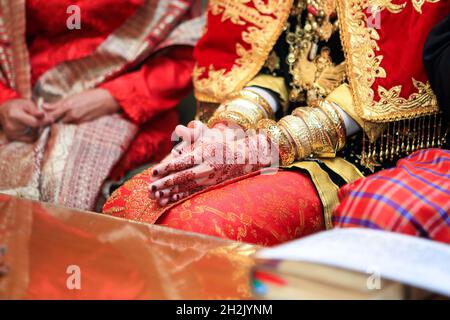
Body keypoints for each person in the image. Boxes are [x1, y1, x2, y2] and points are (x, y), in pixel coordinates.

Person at [104, 0, 450, 246]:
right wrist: (227, 130)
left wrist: (260, 150)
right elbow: (275, 69)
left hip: (365, 153)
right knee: (131, 203)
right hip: (274, 132)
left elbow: (381, 89)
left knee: (193, 228)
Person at [0, 0, 204, 211]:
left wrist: (113, 97)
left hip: (128, 103)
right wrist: (5, 102)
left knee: (63, 178)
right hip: (25, 90)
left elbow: (188, 56)